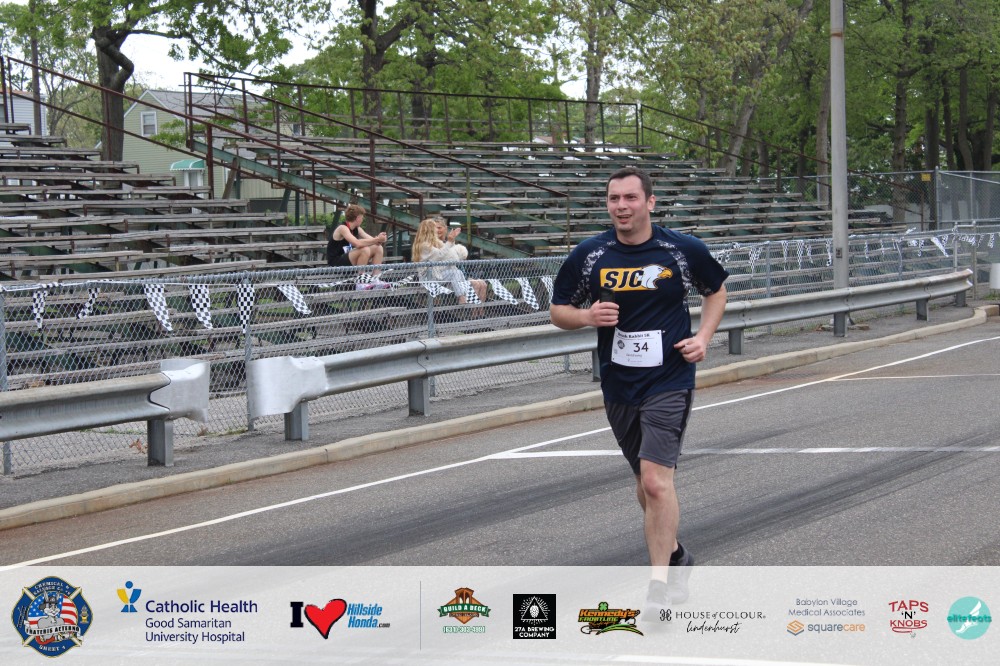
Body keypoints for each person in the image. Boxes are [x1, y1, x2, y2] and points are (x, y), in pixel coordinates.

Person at [549, 166, 728, 616]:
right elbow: (558, 310)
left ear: (650, 202)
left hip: (670, 378)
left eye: (630, 198)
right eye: (614, 199)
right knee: (643, 484)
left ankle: (658, 588)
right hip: (618, 382)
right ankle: (676, 555)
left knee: (655, 480)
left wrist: (703, 338)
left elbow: (716, 291)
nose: (622, 206)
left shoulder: (681, 250)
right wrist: (587, 317)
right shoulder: (591, 255)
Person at [412, 218, 488, 306]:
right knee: (455, 273)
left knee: (459, 273)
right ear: (429, 231)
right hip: (428, 279)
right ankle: (461, 297)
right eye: (434, 228)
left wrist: (451, 240)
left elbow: (450, 254)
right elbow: (440, 254)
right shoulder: (424, 245)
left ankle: (465, 296)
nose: (436, 230)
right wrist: (449, 241)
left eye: (439, 228)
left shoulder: (433, 243)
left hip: (436, 276)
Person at [327, 204, 388, 288]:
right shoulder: (342, 228)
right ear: (358, 218)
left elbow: (373, 241)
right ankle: (361, 282)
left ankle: (375, 279)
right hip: (336, 263)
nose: (362, 219)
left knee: (378, 248)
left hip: (349, 261)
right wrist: (376, 240)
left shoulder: (357, 229)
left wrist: (380, 239)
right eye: (362, 217)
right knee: (364, 249)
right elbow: (357, 243)